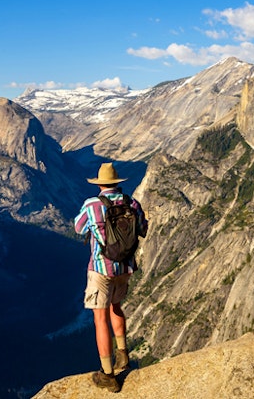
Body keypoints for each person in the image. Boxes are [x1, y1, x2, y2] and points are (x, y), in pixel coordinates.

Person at [74, 162, 148, 392]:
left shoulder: (92, 205)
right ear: (118, 183)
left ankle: (108, 374)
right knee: (117, 307)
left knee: (100, 319)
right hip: (124, 268)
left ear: (100, 184)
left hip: (101, 268)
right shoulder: (132, 203)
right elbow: (143, 229)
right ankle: (123, 354)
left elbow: (78, 228)